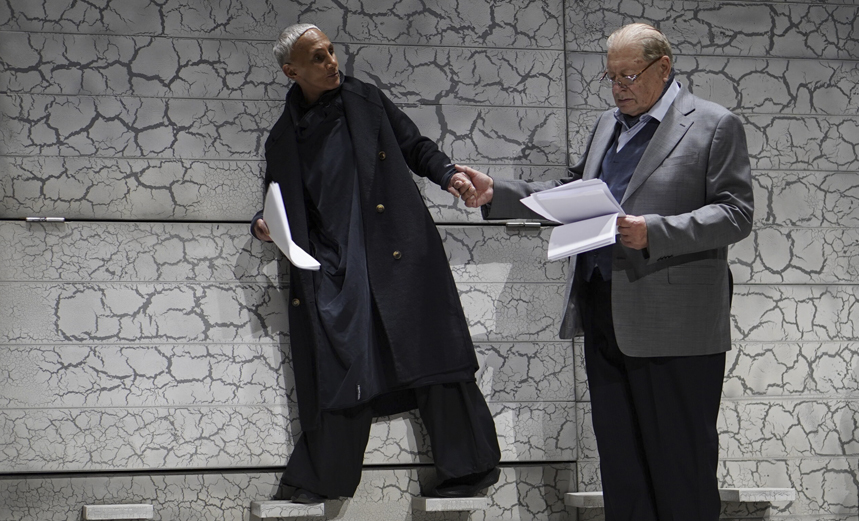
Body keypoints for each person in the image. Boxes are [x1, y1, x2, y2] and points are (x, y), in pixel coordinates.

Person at [453, 23, 753, 521]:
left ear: (663, 67)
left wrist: (655, 231)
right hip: (603, 310)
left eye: (629, 76)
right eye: (611, 77)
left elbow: (736, 213)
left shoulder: (714, 125)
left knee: (680, 466)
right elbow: (573, 192)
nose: (618, 88)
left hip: (676, 325)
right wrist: (498, 193)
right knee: (622, 467)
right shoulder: (606, 126)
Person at [250, 24, 500, 503]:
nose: (331, 62)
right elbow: (275, 201)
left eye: (331, 51)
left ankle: (471, 468)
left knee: (433, 357)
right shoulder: (283, 138)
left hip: (397, 247)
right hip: (336, 264)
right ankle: (322, 481)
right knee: (342, 369)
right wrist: (261, 224)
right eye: (318, 57)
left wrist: (449, 175)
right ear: (291, 71)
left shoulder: (364, 99)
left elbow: (414, 145)